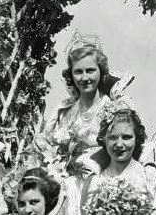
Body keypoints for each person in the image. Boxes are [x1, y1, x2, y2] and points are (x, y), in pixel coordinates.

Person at [37, 32, 134, 176]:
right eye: (78, 72)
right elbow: (47, 143)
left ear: (101, 72)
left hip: (104, 176)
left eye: (90, 71)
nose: (84, 78)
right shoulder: (65, 110)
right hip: (66, 177)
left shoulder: (116, 108)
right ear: (71, 75)